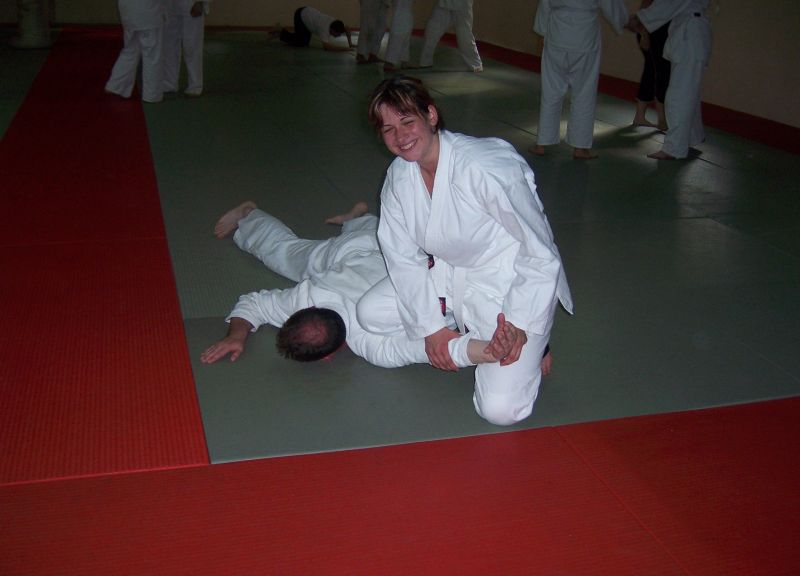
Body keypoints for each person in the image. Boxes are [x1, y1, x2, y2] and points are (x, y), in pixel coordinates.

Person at [358, 76, 573, 426]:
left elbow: (539, 250)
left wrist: (520, 324)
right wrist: (432, 329)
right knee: (370, 314)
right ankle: (461, 337)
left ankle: (534, 342)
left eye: (408, 121)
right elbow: (402, 258)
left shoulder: (485, 166)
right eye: (388, 129)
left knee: (500, 411)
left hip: (510, 282)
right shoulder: (399, 176)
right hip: (449, 275)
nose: (400, 136)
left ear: (430, 115)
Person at [201, 201, 523, 371]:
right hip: (375, 246)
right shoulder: (307, 297)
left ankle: (251, 213)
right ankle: (354, 218)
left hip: (370, 251)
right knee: (293, 254)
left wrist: (491, 351)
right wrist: (235, 335)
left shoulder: (370, 342)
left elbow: (434, 349)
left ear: (330, 356)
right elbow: (254, 304)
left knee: (286, 253)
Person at [532, 0, 629, 159]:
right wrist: (625, 21)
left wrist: (542, 31)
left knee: (551, 91)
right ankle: (580, 147)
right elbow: (611, 4)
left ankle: (541, 143)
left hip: (557, 33)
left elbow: (545, 4)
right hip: (584, 35)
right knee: (584, 93)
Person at [628, 0, 712, 159]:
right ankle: (693, 136)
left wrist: (639, 18)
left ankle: (673, 149)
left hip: (690, 36)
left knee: (678, 96)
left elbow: (668, 3)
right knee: (689, 92)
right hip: (690, 35)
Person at [104, 0, 166, 103]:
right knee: (152, 56)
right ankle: (152, 95)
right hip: (148, 15)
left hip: (128, 13)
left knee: (130, 50)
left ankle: (116, 86)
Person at [632, 0, 670, 129]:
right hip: (652, 32)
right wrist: (644, 34)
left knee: (652, 71)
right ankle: (661, 118)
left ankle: (641, 116)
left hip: (656, 31)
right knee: (661, 72)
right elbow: (645, 7)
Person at [418, 0, 482, 73]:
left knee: (464, 36)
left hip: (462, 5)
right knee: (432, 30)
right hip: (444, 4)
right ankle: (425, 61)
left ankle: (476, 64)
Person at [162, 0, 210, 98]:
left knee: (192, 46)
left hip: (191, 3)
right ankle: (169, 83)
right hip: (169, 5)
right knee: (169, 46)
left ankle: (195, 85)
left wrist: (201, 2)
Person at [278, 6, 354, 52]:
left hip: (308, 15)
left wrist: (350, 44)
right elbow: (327, 47)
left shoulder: (336, 24)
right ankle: (280, 32)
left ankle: (283, 30)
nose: (338, 36)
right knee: (300, 42)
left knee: (305, 42)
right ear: (331, 30)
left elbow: (347, 28)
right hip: (300, 15)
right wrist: (345, 49)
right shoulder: (324, 28)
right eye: (336, 34)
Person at [383, 0, 414, 71]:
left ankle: (404, 61)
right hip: (399, 15)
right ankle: (389, 63)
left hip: (406, 14)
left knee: (406, 38)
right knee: (396, 39)